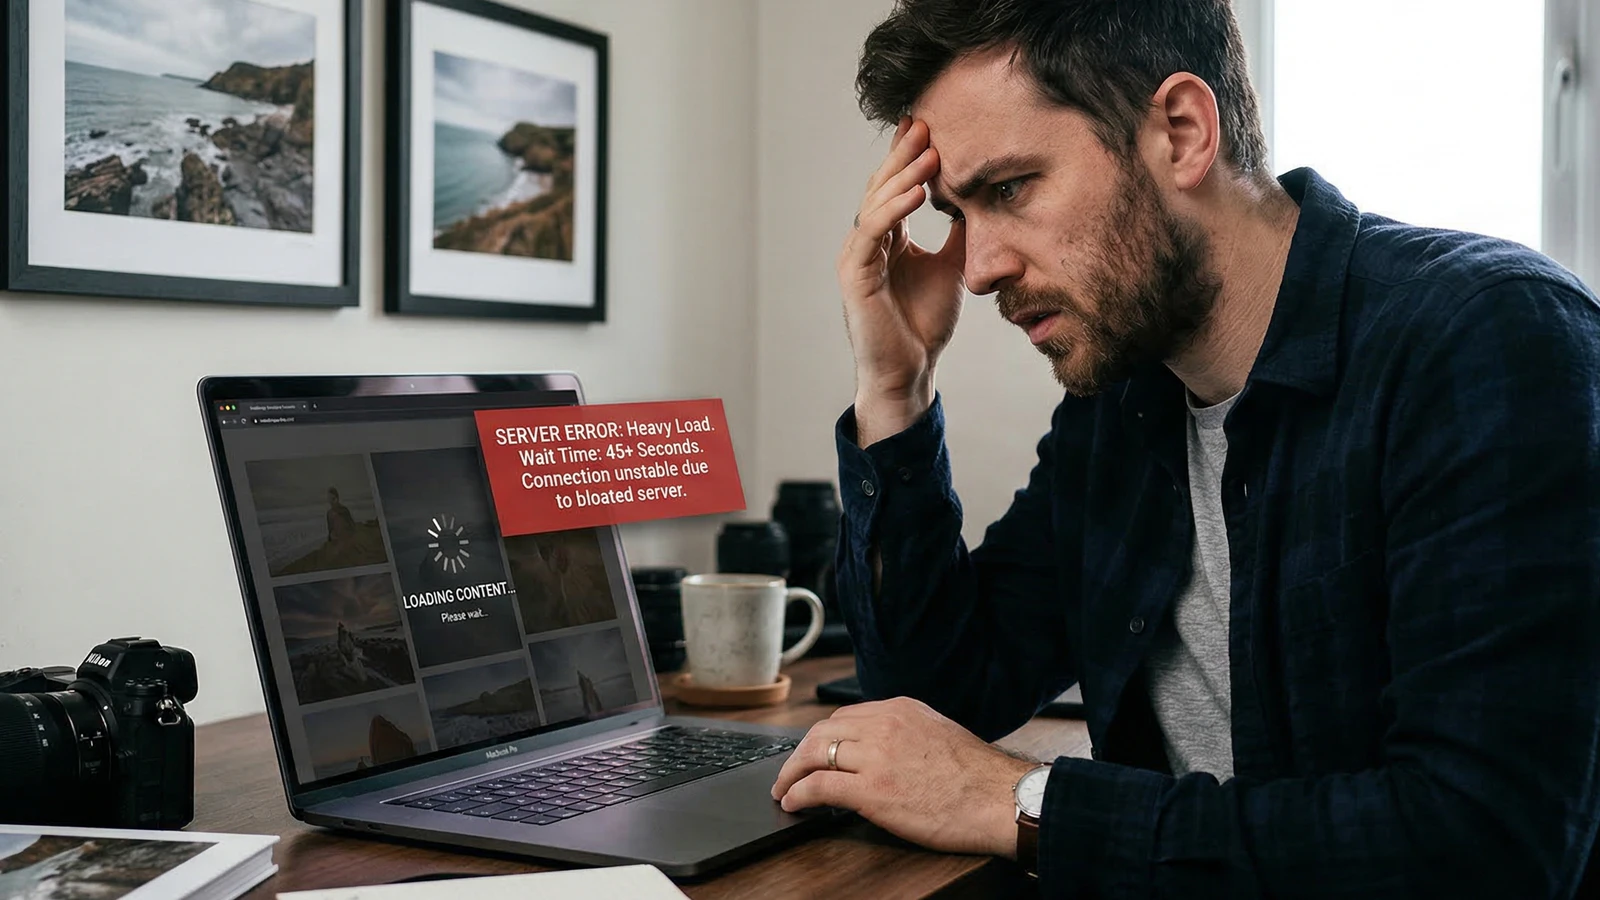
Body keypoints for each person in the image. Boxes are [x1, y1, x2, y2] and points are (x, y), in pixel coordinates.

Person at [768, 1, 1600, 896]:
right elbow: (931, 706)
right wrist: (897, 389)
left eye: (1009, 189)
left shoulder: (1490, 339)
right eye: (956, 213)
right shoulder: (1125, 398)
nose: (977, 271)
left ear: (1182, 131)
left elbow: (1485, 845)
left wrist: (1024, 800)